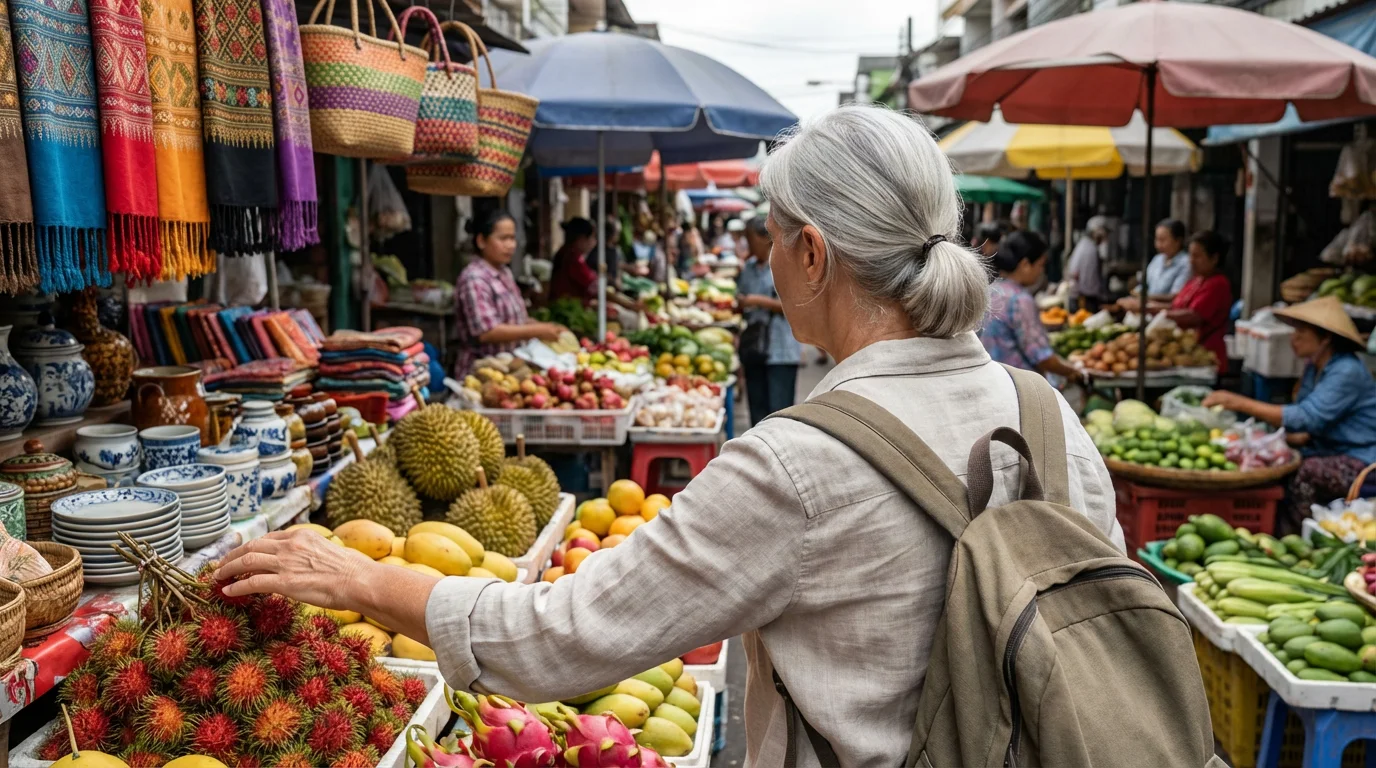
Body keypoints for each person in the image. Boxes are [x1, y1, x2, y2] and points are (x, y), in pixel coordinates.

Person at [214, 103, 1122, 766]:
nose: (764, 258)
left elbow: (558, 637)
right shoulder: (1048, 417)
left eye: (770, 238)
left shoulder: (799, 463)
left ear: (811, 254)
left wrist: (364, 578)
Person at [1203, 296, 1376, 531]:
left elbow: (1306, 417)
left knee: (1306, 472)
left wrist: (1237, 402)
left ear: (1325, 338)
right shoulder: (1315, 367)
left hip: (1361, 459)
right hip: (1325, 447)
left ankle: (1297, 537)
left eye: (1301, 333)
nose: (1293, 339)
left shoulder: (1346, 371)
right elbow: (1305, 423)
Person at [452, 211, 565, 376]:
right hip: (483, 372)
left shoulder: (504, 272)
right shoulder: (474, 279)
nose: (511, 245)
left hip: (510, 368)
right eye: (503, 238)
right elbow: (487, 332)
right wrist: (538, 330)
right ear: (481, 241)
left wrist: (539, 325)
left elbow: (512, 319)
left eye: (512, 238)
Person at [980, 230, 1084, 383]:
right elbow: (1042, 357)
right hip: (1018, 388)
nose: (1041, 272)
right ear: (1025, 264)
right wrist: (1073, 371)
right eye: (1041, 265)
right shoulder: (1020, 300)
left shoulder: (990, 290)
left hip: (991, 381)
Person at [737, 216, 801, 423]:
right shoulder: (748, 269)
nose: (748, 244)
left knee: (779, 414)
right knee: (757, 412)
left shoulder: (786, 265)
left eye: (751, 239)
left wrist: (759, 301)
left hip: (781, 350)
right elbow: (741, 298)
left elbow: (797, 306)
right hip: (755, 348)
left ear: (765, 239)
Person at [1166, 231, 1233, 372]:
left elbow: (1194, 316)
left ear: (1214, 258)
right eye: (1190, 255)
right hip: (1187, 357)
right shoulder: (1196, 280)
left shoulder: (1218, 284)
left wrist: (1158, 313)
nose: (1191, 260)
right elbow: (1176, 304)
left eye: (1197, 256)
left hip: (1206, 358)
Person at [1120, 218, 1189, 311]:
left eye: (1163, 240)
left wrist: (1146, 298)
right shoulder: (1157, 259)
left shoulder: (1186, 263)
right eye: (1157, 239)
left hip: (1165, 311)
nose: (1158, 245)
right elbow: (1145, 284)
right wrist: (1135, 294)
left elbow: (1176, 296)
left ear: (1178, 241)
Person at [548, 218, 598, 302]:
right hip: (566, 305)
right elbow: (592, 285)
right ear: (581, 239)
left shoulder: (566, 252)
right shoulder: (572, 258)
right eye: (592, 237)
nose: (594, 242)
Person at [1066, 216, 1110, 310]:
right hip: (1084, 299)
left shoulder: (1084, 244)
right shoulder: (1090, 249)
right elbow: (1089, 283)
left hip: (1079, 295)